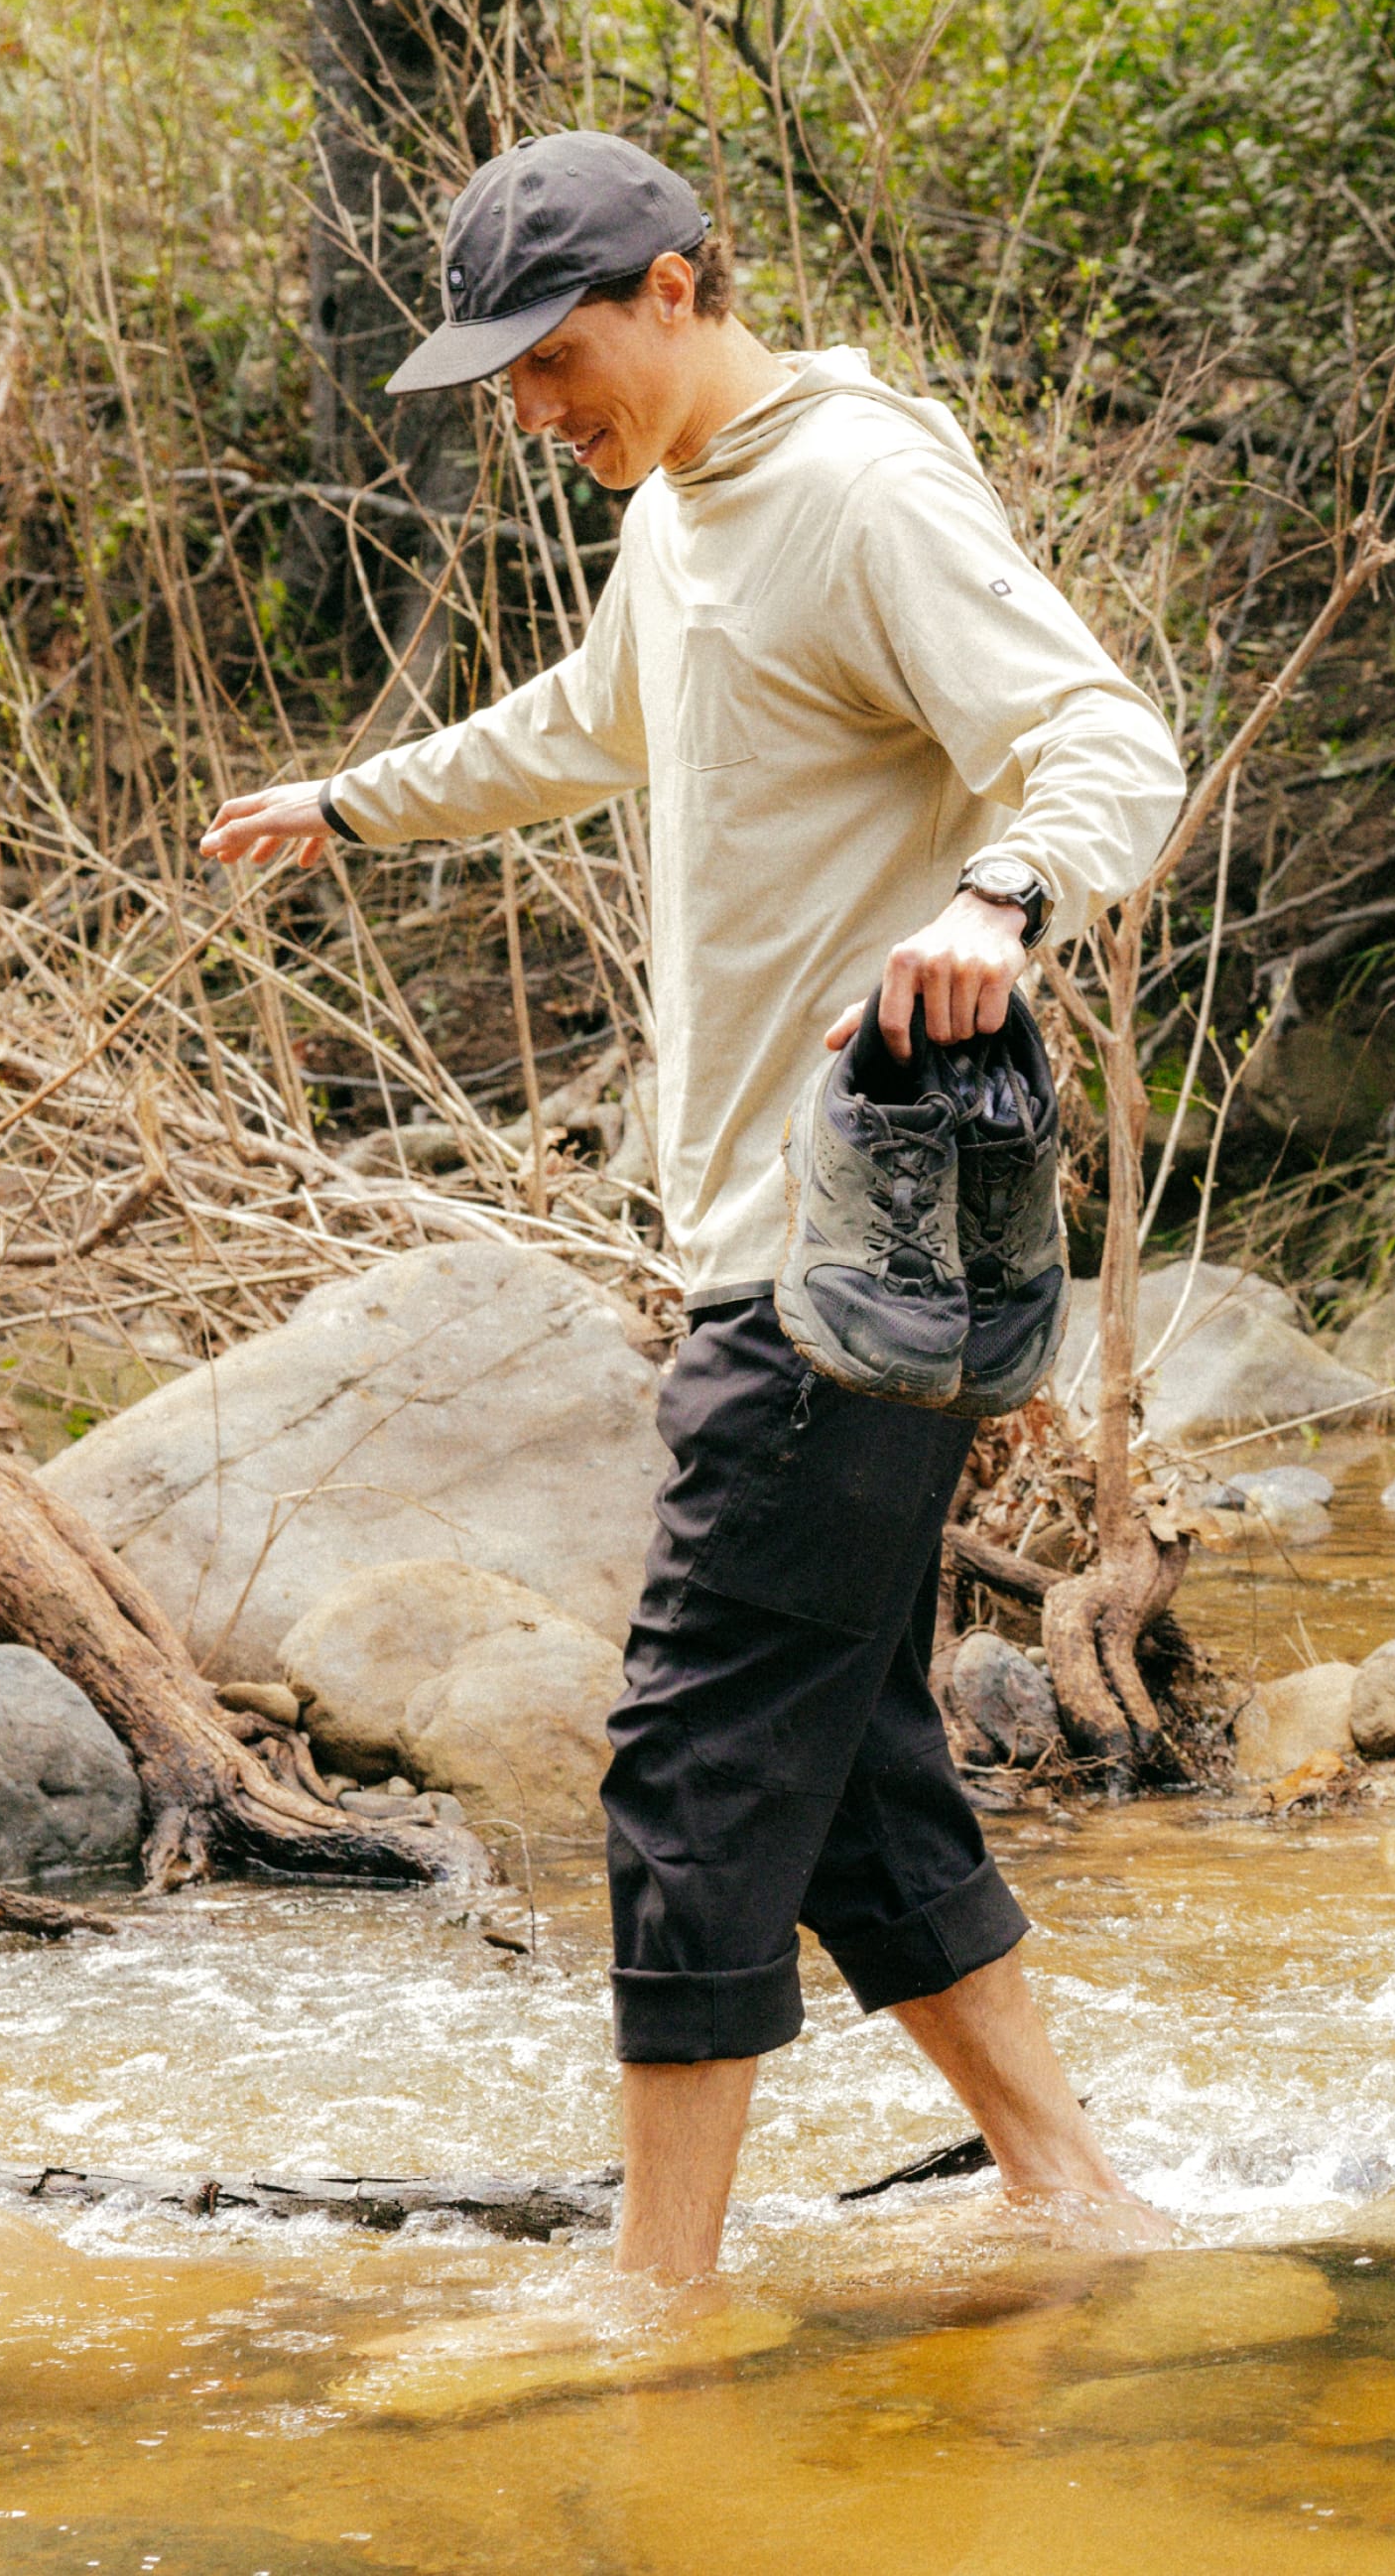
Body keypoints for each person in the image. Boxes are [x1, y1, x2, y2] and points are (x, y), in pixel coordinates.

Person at [202, 129, 1187, 2278]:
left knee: (688, 1744)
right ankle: (1078, 2200)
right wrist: (353, 803)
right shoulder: (687, 518)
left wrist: (1000, 899)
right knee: (839, 1760)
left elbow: (1105, 734)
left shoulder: (856, 488)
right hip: (764, 1240)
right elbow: (594, 721)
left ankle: (656, 2305)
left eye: (553, 361)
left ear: (673, 284)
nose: (538, 417)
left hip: (851, 1258)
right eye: (507, 386)